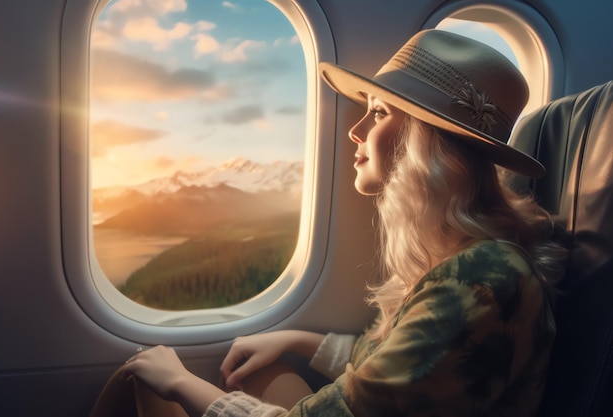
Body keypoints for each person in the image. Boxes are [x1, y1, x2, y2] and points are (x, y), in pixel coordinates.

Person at [118, 29, 567, 416]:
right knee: (259, 370)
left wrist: (179, 382)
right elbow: (400, 374)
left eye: (379, 111)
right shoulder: (468, 258)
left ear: (429, 142)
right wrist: (300, 340)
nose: (357, 130)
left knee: (144, 381)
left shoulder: (482, 281)